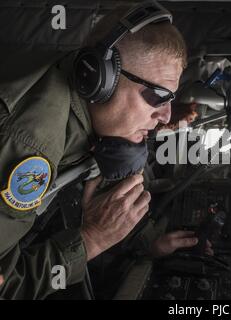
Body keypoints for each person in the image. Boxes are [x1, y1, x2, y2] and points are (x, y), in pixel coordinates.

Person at [0, 3, 208, 299]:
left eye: (170, 100)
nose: (165, 115)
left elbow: (108, 198)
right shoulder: (29, 146)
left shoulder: (91, 117)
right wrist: (90, 240)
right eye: (157, 96)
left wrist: (149, 244)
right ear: (98, 78)